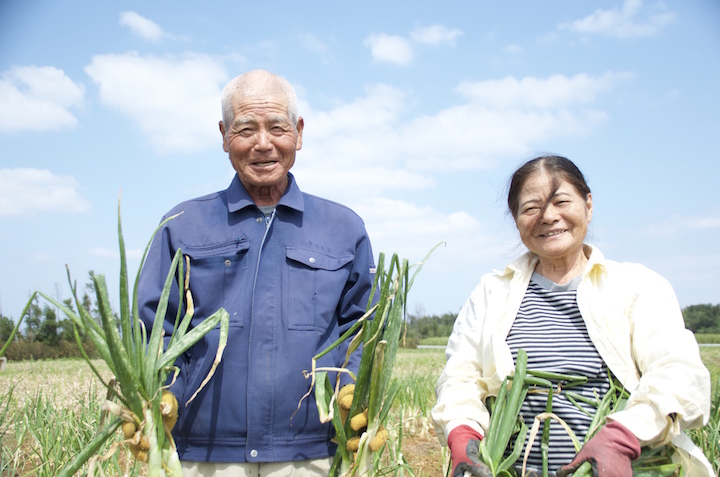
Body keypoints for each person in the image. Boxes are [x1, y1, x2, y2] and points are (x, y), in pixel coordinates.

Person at [137, 70, 377, 476]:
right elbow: (155, 329)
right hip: (201, 455)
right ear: (224, 135)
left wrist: (353, 389)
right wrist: (164, 395)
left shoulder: (344, 228)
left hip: (313, 453)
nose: (263, 143)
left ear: (298, 132)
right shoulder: (182, 224)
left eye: (277, 127)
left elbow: (363, 331)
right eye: (245, 129)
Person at [431, 155, 713, 477]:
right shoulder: (491, 293)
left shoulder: (638, 288)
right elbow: (460, 378)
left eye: (561, 201)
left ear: (588, 205)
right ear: (516, 219)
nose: (548, 216)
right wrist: (462, 434)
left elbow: (678, 373)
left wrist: (623, 438)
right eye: (531, 208)